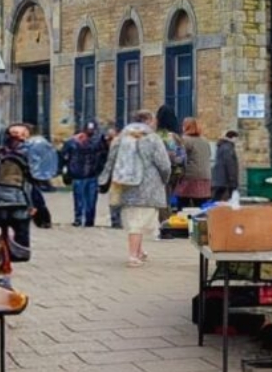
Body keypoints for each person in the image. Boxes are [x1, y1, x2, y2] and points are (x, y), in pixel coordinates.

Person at [99, 110, 172, 267]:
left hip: (124, 184)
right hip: (148, 185)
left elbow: (110, 161)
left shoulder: (120, 138)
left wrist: (106, 179)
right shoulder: (152, 139)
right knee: (138, 222)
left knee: (133, 219)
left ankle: (139, 251)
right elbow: (164, 164)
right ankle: (133, 255)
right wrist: (164, 179)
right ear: (149, 121)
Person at [60, 122, 108, 227]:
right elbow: (64, 156)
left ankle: (87, 220)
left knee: (88, 199)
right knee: (81, 198)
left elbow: (104, 156)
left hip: (89, 173)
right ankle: (81, 219)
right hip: (81, 173)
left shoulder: (97, 142)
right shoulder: (73, 142)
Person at [154, 105, 187, 214]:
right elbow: (182, 157)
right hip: (175, 173)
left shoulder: (155, 136)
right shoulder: (177, 136)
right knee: (169, 197)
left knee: (161, 199)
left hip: (159, 172)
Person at [177, 118, 214, 205]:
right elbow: (209, 155)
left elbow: (179, 158)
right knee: (201, 207)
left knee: (183, 205)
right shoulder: (205, 141)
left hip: (189, 177)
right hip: (205, 177)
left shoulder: (185, 140)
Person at [212, 130, 241, 201]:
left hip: (220, 178)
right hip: (226, 179)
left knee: (217, 197)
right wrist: (233, 179)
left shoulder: (222, 146)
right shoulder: (228, 148)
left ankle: (211, 210)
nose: (237, 141)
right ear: (233, 138)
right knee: (228, 199)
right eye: (236, 138)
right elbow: (230, 164)